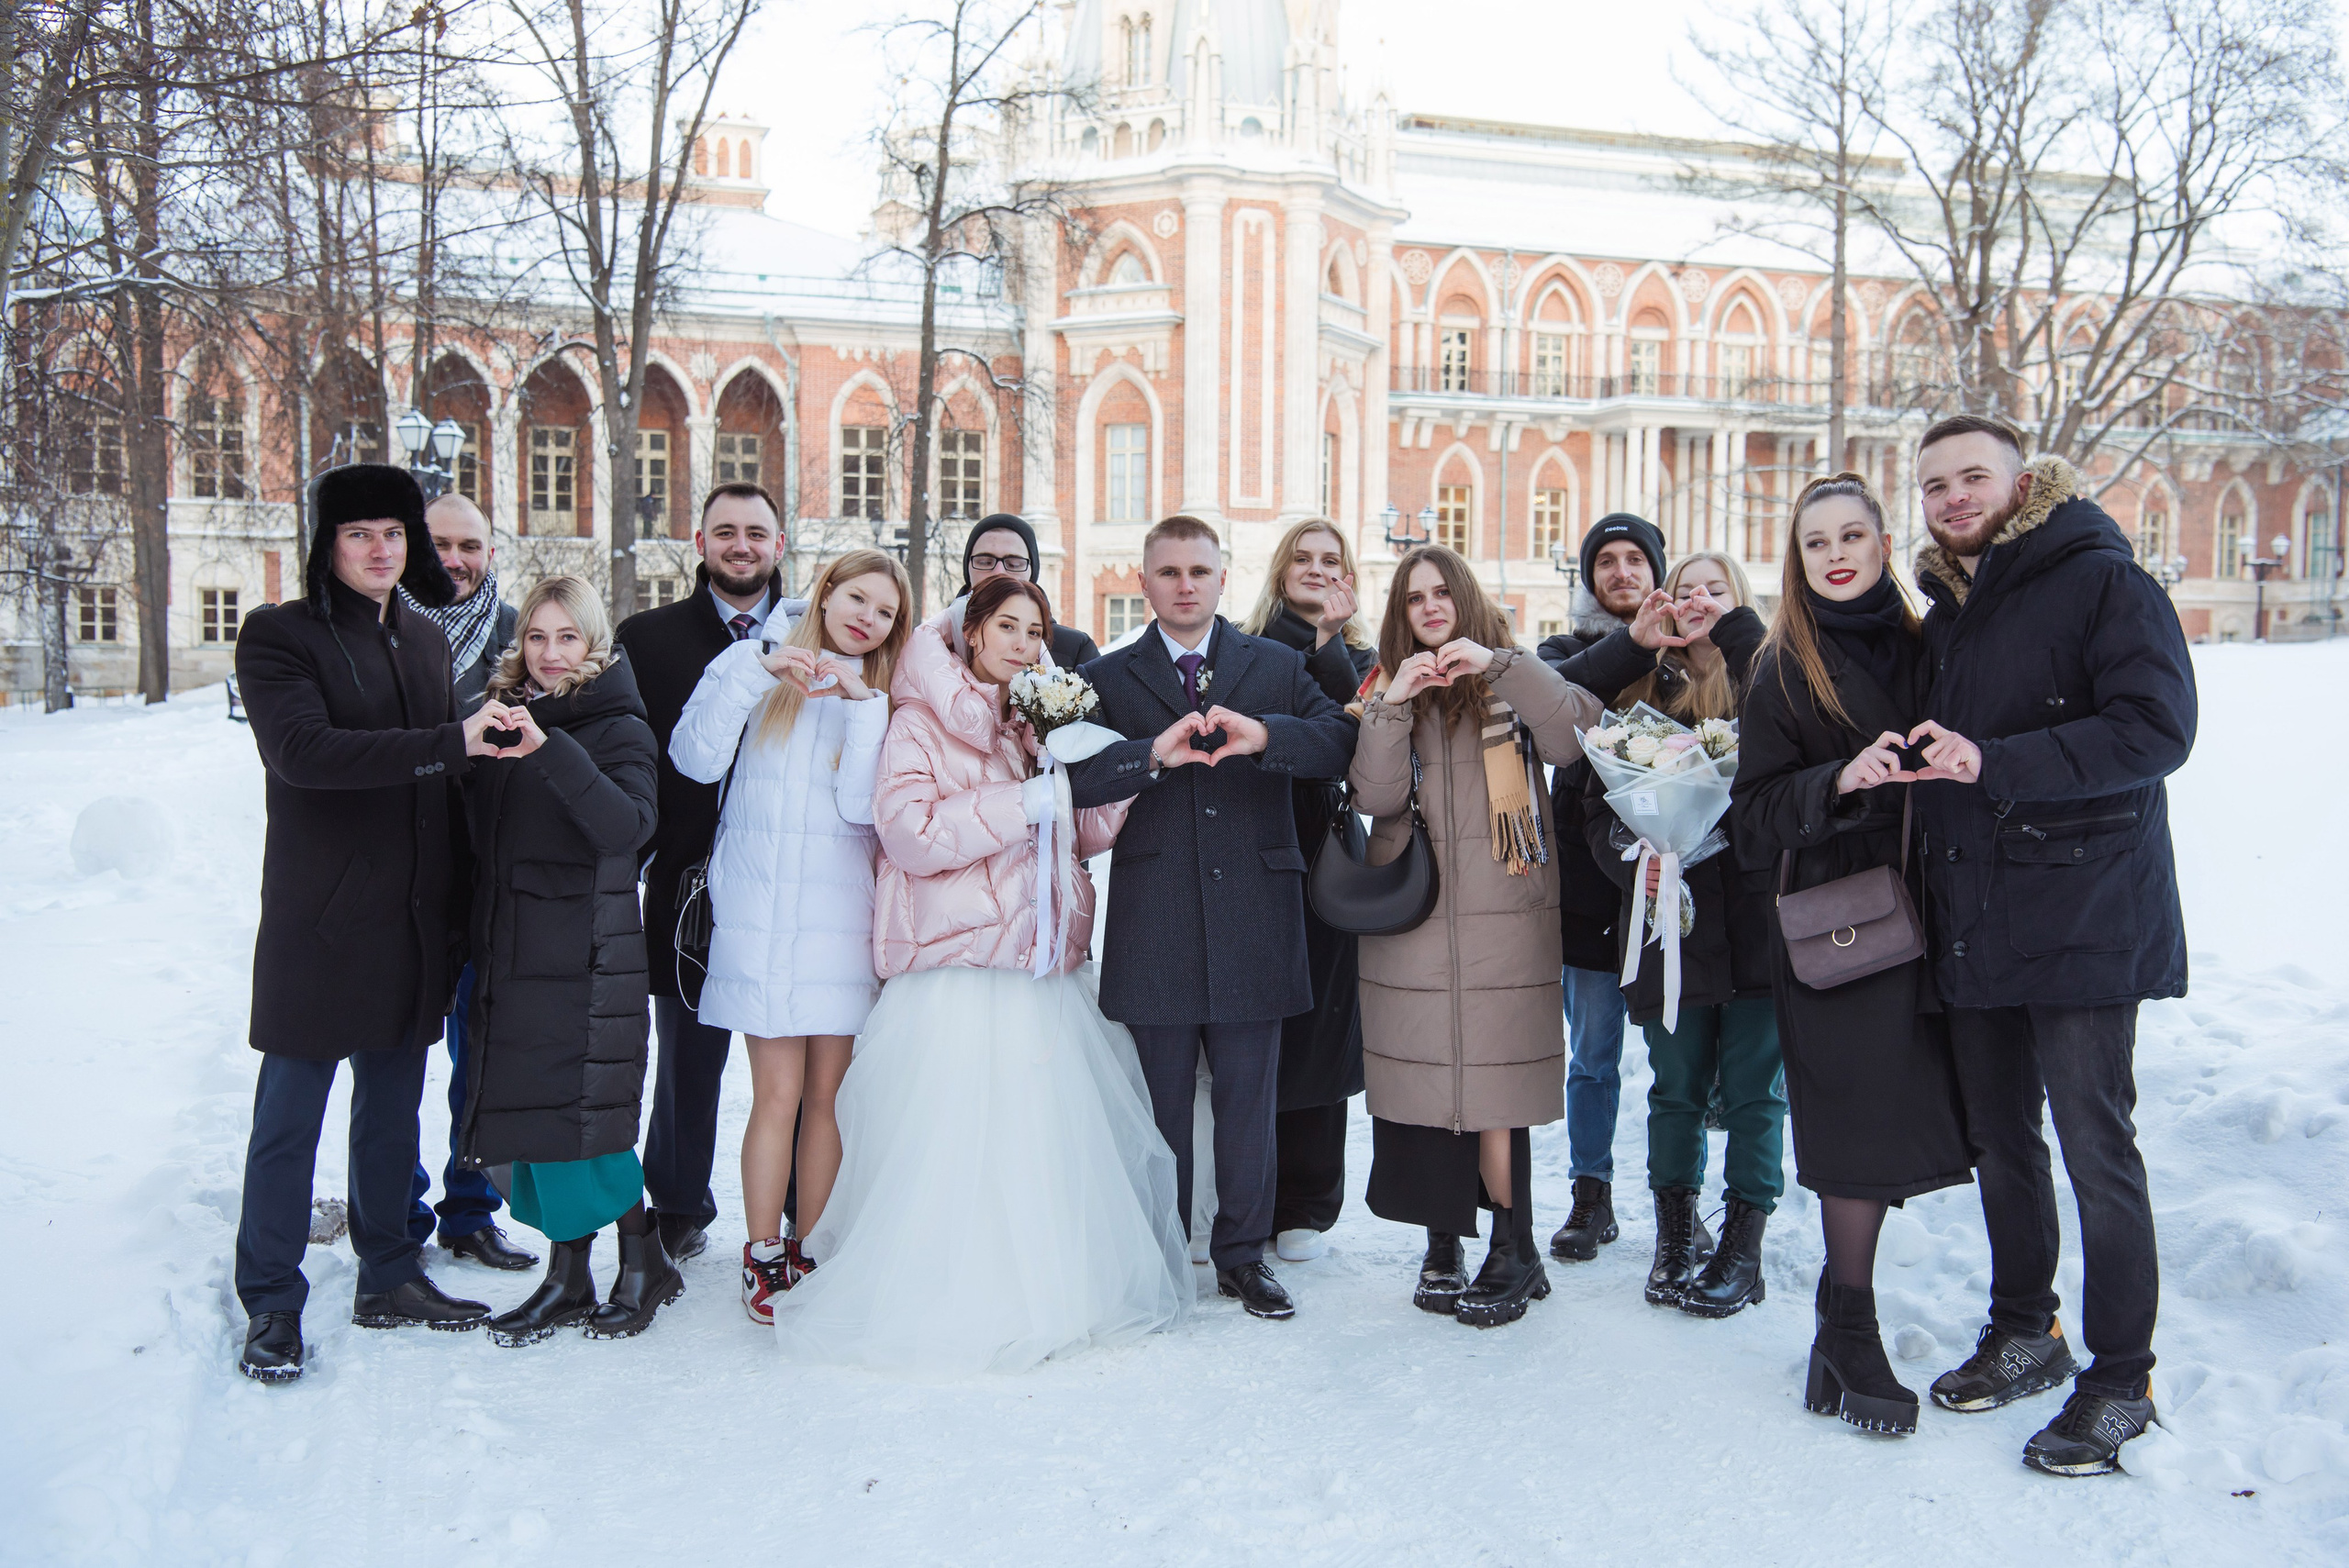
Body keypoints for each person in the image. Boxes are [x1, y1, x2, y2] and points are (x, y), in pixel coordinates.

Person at [773, 576, 1188, 1374]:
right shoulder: (918, 721)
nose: (1023, 644)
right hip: (957, 971)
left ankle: (1055, 1292)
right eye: (1007, 626)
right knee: (956, 1146)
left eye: (1036, 632)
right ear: (970, 632)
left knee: (1040, 1144)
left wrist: (1118, 772)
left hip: (1036, 970)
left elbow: (1079, 831)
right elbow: (911, 835)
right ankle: (944, 1296)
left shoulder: (1032, 722)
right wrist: (1025, 799)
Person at [1906, 415, 2194, 1476]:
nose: (1950, 496)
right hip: (1980, 915)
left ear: (2024, 482)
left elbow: (2157, 729)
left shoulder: (2103, 581)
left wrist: (1994, 760)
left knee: (2093, 1144)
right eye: (1933, 483)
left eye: (1971, 475)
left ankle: (2121, 1377)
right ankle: (2027, 1327)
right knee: (2002, 1139)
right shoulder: (1949, 613)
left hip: (2083, 913)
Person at [228, 463, 522, 1382]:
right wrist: (453, 741)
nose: (381, 549)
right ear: (329, 543)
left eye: (395, 534)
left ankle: (389, 1270)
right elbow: (304, 754)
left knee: (392, 1113)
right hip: (321, 921)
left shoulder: (427, 640)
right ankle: (271, 1297)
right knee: (289, 1119)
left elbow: (445, 787)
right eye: (360, 533)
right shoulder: (279, 636)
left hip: (411, 921)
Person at [1065, 515, 1358, 1321]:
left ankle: (1241, 1254)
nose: (1185, 584)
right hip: (1154, 917)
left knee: (1247, 1101)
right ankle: (1161, 1253)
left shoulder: (1274, 663)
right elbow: (1076, 778)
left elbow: (1339, 741)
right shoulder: (1110, 674)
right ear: (1144, 580)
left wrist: (1267, 735)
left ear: (1224, 578)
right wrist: (1147, 757)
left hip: (1258, 914)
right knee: (1160, 1103)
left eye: (1200, 570)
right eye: (1169, 571)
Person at [1731, 474, 1974, 1437]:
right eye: (1815, 540)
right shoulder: (1785, 666)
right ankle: (1852, 1326)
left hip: (1942, 911)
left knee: (1926, 1115)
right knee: (1856, 1130)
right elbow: (1750, 819)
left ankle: (1847, 1321)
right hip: (1842, 922)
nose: (1834, 554)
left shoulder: (1934, 645)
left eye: (1852, 536)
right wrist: (1838, 776)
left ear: (1882, 543)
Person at [1352, 545, 1602, 1327]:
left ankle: (1513, 1245)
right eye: (1414, 597)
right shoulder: (1386, 686)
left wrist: (1497, 664)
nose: (1430, 607)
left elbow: (1571, 739)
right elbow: (1375, 793)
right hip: (1413, 913)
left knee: (1495, 1087)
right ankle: (1442, 1240)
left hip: (1507, 913)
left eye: (1442, 593)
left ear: (1465, 599)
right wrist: (1394, 700)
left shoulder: (1516, 674)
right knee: (1429, 1078)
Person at [670, 548, 912, 1325]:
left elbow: (860, 808)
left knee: (826, 1097)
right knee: (773, 1094)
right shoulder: (754, 662)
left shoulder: (875, 697)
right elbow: (693, 758)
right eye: (856, 598)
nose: (865, 617)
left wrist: (863, 707)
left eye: (883, 612)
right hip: (762, 918)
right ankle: (762, 1249)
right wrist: (754, 671)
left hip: (839, 920)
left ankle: (812, 1244)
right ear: (826, 591)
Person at [450, 576, 674, 1345]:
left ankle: (644, 1264)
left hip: (585, 952)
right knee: (542, 1125)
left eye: (567, 638)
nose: (550, 655)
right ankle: (570, 1273)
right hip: (513, 949)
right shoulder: (498, 715)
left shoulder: (618, 724)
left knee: (589, 1126)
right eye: (537, 638)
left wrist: (553, 750)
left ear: (594, 644)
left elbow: (629, 827)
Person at [1584, 550, 1781, 1318]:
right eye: (1687, 588)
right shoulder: (1638, 693)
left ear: (1739, 601)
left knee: (1759, 1091)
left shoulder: (1770, 681)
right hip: (1672, 926)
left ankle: (1743, 1243)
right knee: (1676, 1086)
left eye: (1716, 588)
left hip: (1761, 923)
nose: (1699, 599)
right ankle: (1675, 1236)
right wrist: (1640, 862)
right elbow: (1598, 813)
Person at [612, 482, 785, 1265]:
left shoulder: (817, 632)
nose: (741, 544)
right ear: (700, 542)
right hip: (690, 878)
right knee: (687, 1053)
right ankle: (679, 1201)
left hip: (793, 877)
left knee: (798, 1047)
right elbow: (632, 756)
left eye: (756, 531)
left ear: (780, 544)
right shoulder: (646, 638)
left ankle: (796, 1202)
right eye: (726, 531)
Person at [1532, 514, 1696, 1263]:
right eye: (1607, 560)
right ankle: (1590, 1195)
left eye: (1637, 560)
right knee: (1593, 1051)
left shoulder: (1697, 650)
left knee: (1676, 1057)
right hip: (1588, 883)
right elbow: (1556, 699)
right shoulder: (1567, 651)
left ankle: (1678, 1199)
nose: (1622, 572)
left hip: (1677, 883)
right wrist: (1635, 644)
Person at [1236, 517, 1378, 1263]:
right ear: (1281, 568)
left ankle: (1310, 1200)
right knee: (1254, 1025)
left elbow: (1356, 740)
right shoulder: (1241, 643)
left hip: (1324, 845)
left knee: (1323, 1020)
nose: (1318, 569)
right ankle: (1246, 1190)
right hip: (1251, 843)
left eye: (1333, 560)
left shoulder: (1362, 657)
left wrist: (1329, 642)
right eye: (1305, 557)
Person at [399, 491, 534, 1274]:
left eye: (470, 545)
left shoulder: (518, 634)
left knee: (479, 1055)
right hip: (401, 880)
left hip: (487, 879)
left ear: (490, 551)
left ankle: (469, 1206)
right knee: (394, 1062)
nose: (455, 559)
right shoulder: (385, 630)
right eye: (439, 543)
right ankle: (397, 1206)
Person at [958, 511, 1100, 668]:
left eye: (1014, 564)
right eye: (985, 562)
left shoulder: (1074, 650)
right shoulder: (936, 641)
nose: (999, 572)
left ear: (1032, 572)